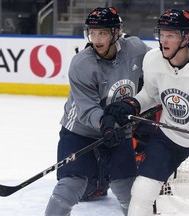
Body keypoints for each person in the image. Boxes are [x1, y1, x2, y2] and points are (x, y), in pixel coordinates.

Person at [102, 9, 189, 216]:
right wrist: (131, 104)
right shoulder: (152, 59)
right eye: (161, 34)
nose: (164, 41)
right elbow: (150, 94)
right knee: (141, 192)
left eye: (171, 35)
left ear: (185, 37)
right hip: (169, 136)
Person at [45, 7, 151, 216]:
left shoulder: (137, 49)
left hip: (119, 129)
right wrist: (105, 124)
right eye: (92, 33)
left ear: (116, 32)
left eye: (102, 32)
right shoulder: (82, 63)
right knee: (71, 185)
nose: (96, 39)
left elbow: (157, 71)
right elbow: (87, 109)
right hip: (80, 131)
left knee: (126, 187)